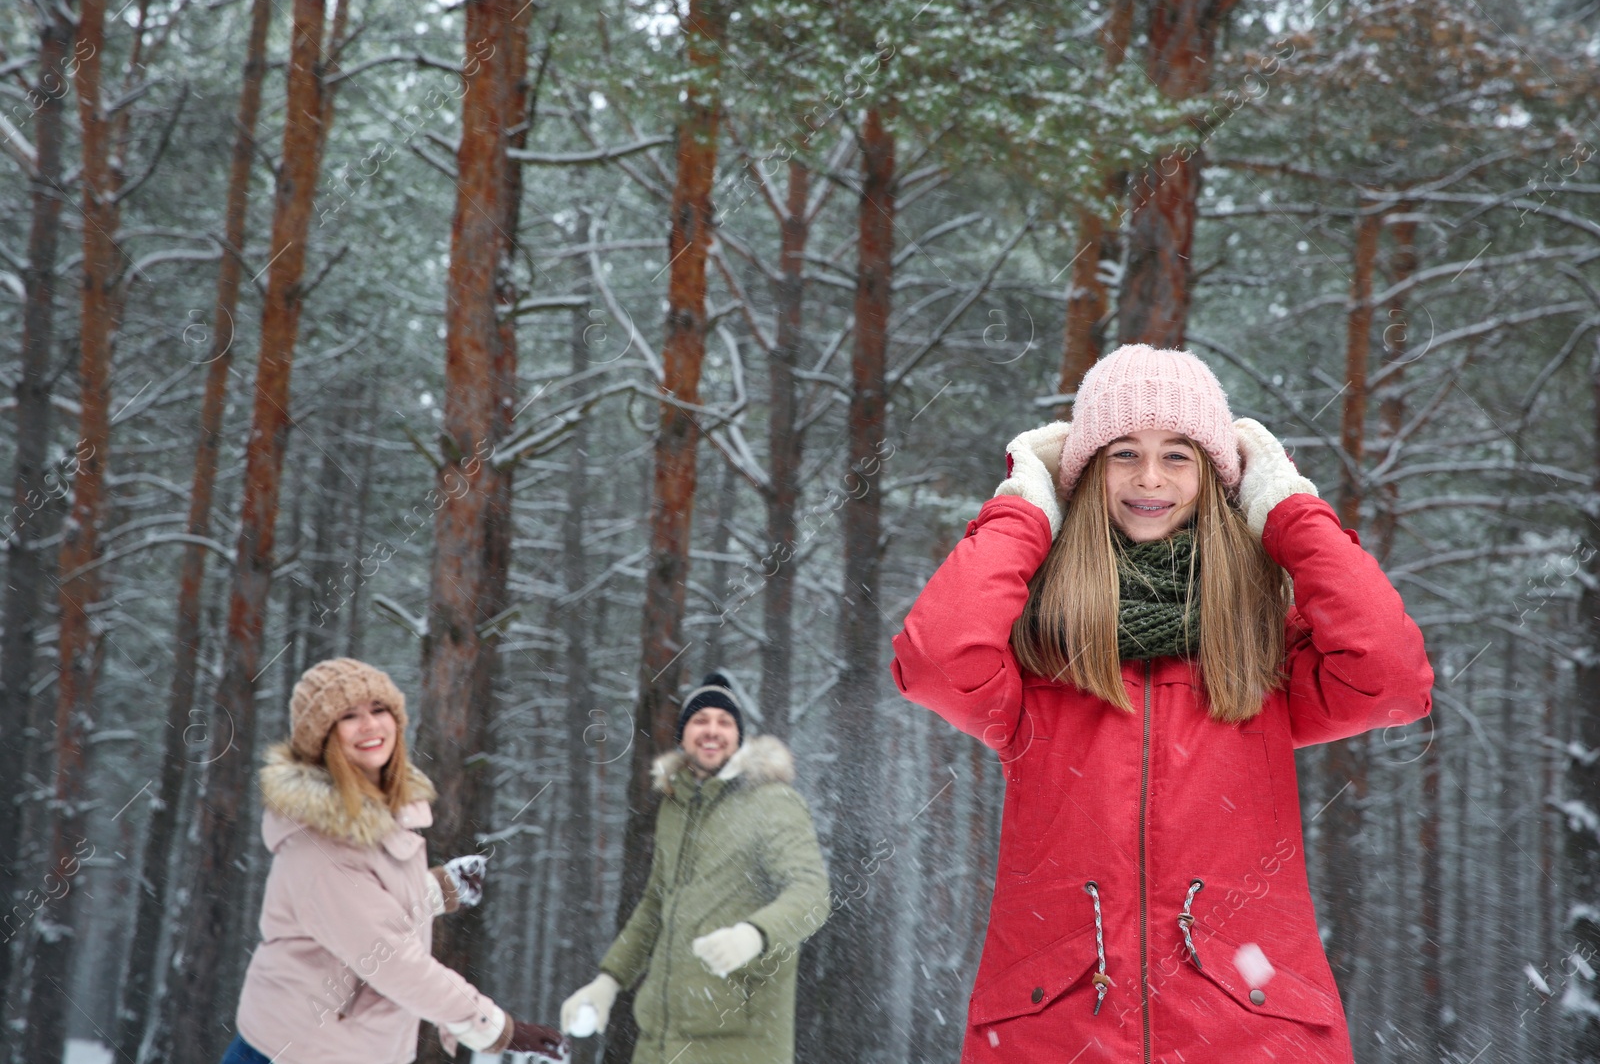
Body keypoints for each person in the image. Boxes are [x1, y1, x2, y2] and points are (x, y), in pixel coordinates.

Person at [891, 345, 1433, 1063]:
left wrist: (1288, 505)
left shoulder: (1260, 638)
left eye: (1179, 454)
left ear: (1216, 478)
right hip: (1056, 1031)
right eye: (1122, 453)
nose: (1150, 478)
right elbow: (933, 660)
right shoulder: (1037, 641)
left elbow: (1393, 678)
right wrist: (1023, 510)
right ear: (1082, 476)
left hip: (1254, 1028)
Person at [222, 657, 566, 1064]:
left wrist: (435, 890)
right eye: (349, 715)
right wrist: (496, 1029)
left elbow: (362, 912)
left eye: (379, 709)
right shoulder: (322, 846)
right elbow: (392, 961)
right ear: (322, 738)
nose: (370, 725)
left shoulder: (372, 812)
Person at [560, 672, 831, 1064]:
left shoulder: (772, 801)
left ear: (739, 737)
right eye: (700, 721)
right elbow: (654, 907)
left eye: (725, 722)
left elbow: (811, 894)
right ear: (683, 735)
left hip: (740, 1042)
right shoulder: (676, 807)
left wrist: (753, 936)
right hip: (659, 1040)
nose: (712, 731)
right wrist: (609, 981)